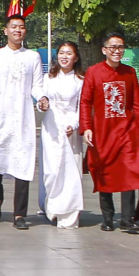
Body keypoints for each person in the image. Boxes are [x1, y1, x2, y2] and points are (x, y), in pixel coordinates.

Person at [0, 15, 43, 228]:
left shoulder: (33, 57)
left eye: (21, 27)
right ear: (5, 30)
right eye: (14, 27)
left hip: (23, 118)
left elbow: (37, 85)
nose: (18, 30)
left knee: (24, 163)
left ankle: (19, 215)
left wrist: (42, 98)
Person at [79, 31, 139, 233]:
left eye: (120, 47)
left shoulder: (129, 73)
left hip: (127, 132)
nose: (117, 51)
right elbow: (85, 102)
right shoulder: (93, 72)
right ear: (104, 50)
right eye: (113, 47)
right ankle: (108, 217)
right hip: (102, 132)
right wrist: (87, 128)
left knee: (130, 172)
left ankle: (127, 219)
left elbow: (137, 103)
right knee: (104, 173)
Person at [36, 42, 85, 228]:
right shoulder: (48, 77)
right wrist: (41, 103)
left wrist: (74, 124)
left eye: (69, 53)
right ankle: (52, 206)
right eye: (61, 53)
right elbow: (40, 96)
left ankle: (69, 210)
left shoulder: (80, 80)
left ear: (76, 57)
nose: (64, 56)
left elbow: (82, 107)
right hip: (51, 126)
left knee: (70, 169)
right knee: (51, 169)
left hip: (70, 127)